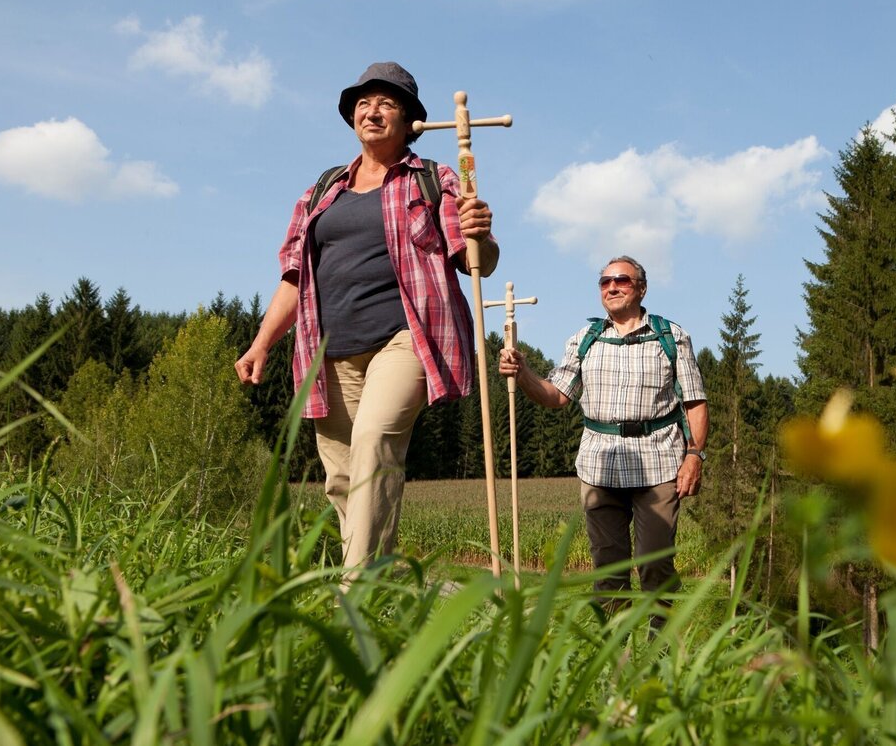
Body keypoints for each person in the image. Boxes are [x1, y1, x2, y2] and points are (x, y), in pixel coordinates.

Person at [235, 62, 498, 575]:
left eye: (386, 103)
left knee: (374, 441)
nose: (371, 111)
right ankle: (385, 581)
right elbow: (294, 275)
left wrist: (481, 235)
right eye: (362, 104)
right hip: (326, 351)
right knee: (343, 480)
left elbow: (474, 263)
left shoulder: (430, 179)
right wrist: (263, 341)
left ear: (409, 121)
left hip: (407, 340)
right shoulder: (322, 190)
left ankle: (352, 594)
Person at [498, 255, 708, 623]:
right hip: (599, 466)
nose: (612, 286)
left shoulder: (671, 336)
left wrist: (694, 456)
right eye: (604, 281)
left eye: (622, 280)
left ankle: (660, 650)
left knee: (655, 564)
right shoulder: (585, 340)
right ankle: (615, 653)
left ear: (641, 289)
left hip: (658, 462)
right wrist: (524, 372)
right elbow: (556, 396)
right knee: (608, 569)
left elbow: (695, 401)